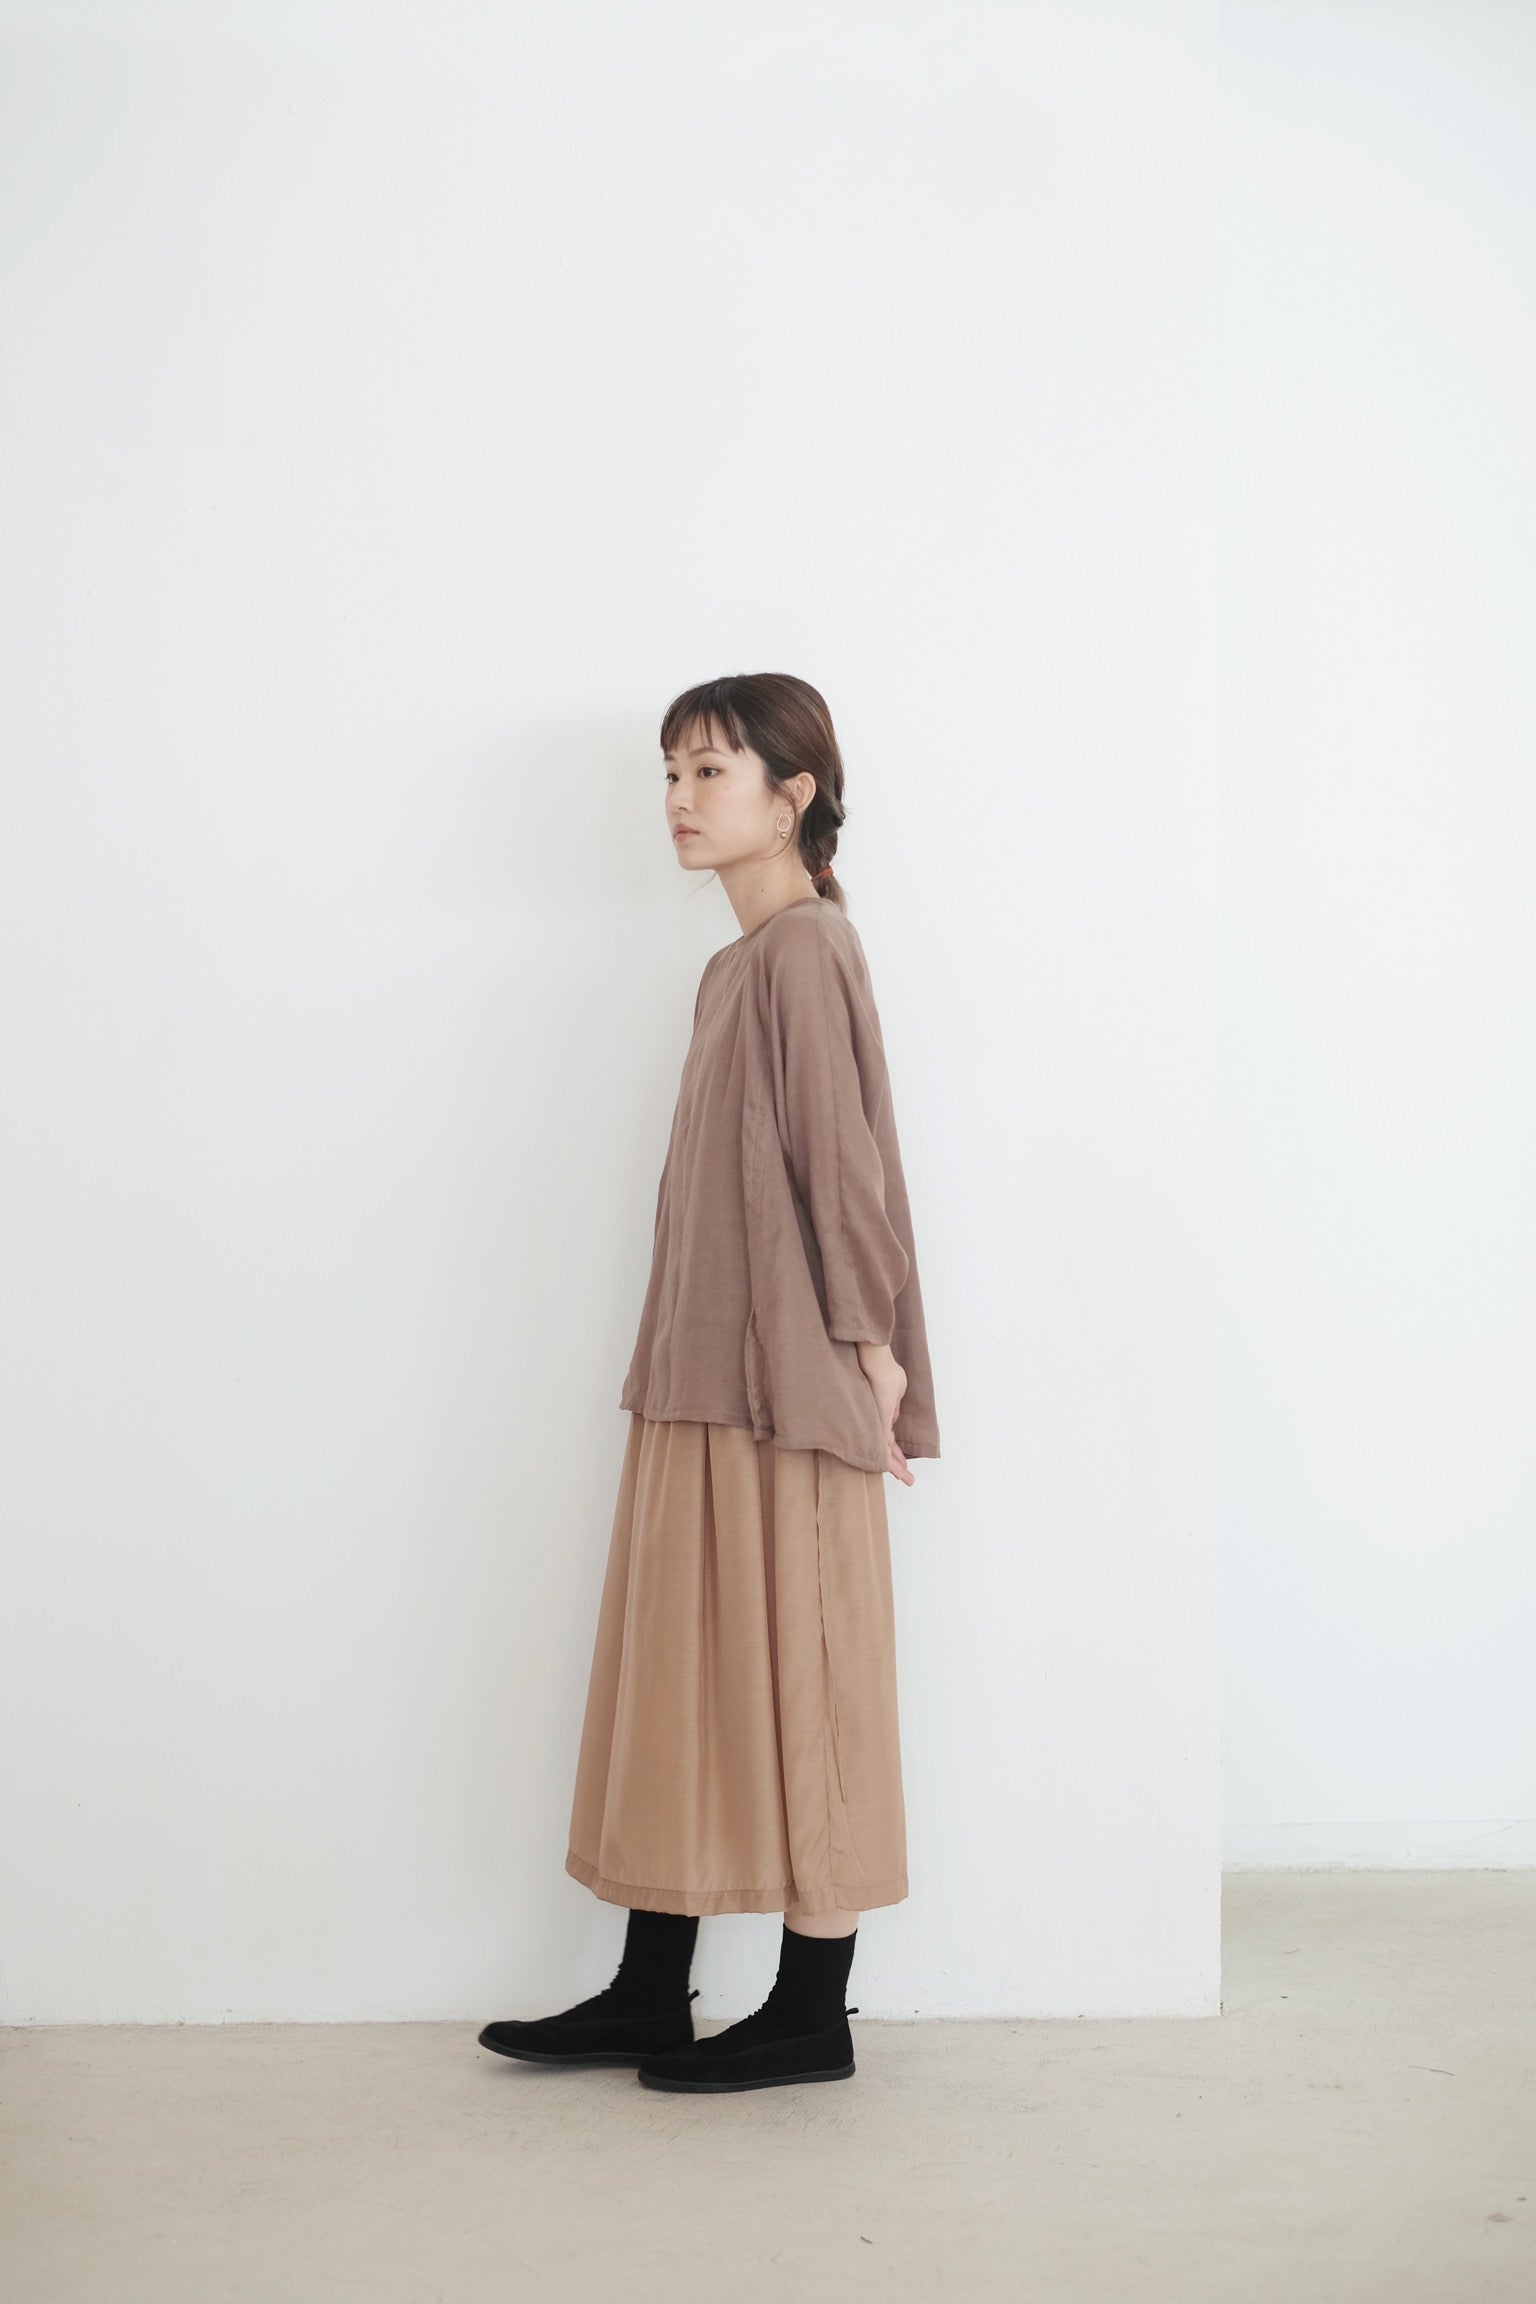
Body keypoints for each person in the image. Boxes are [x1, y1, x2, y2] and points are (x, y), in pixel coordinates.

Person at [478, 672, 940, 2094]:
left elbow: (843, 1170)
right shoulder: (734, 965)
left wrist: (874, 1357)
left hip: (788, 1380)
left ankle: (812, 2010)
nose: (678, 801)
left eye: (710, 773)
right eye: (669, 774)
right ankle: (648, 1989)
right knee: (681, 1671)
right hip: (695, 1371)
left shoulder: (805, 948)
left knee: (814, 1676)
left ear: (792, 798)